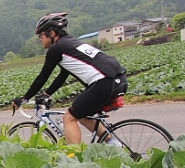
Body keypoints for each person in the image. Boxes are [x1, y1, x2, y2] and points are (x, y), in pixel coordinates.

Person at [12, 12, 128, 145]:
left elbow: (43, 76)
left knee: (69, 118)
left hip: (104, 82)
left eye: (41, 35)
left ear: (52, 33)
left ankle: (72, 160)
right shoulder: (70, 44)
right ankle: (114, 145)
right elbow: (63, 75)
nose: (39, 39)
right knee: (82, 114)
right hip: (119, 79)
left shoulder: (56, 48)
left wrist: (24, 98)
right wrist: (46, 93)